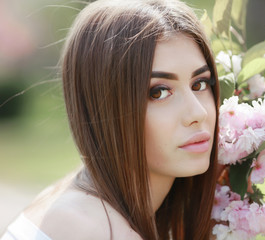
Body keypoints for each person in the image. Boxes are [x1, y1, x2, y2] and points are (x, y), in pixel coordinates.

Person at [1, 0, 220, 239]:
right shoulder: (100, 231)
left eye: (199, 84)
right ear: (104, 106)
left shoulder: (70, 199)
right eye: (158, 92)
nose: (199, 113)